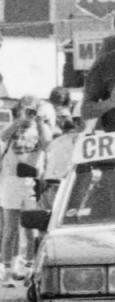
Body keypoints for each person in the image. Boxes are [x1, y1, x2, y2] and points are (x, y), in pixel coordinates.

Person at [0, 95, 52, 286]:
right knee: (10, 228)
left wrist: (38, 123)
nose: (30, 113)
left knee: (31, 230)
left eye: (33, 109)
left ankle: (29, 268)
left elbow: (47, 145)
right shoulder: (14, 127)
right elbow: (3, 136)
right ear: (20, 109)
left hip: (31, 181)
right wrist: (20, 122)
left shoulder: (40, 128)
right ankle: (7, 269)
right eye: (27, 109)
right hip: (11, 180)